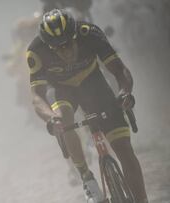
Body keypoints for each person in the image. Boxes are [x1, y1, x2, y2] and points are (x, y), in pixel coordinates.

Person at [26, 9, 148, 202]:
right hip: (61, 89)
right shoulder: (36, 51)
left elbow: (119, 69)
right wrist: (51, 118)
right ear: (48, 47)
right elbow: (37, 97)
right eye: (57, 48)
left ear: (76, 35)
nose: (65, 50)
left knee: (124, 149)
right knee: (62, 117)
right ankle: (86, 176)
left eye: (68, 44)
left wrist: (125, 92)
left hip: (93, 82)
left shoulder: (89, 33)